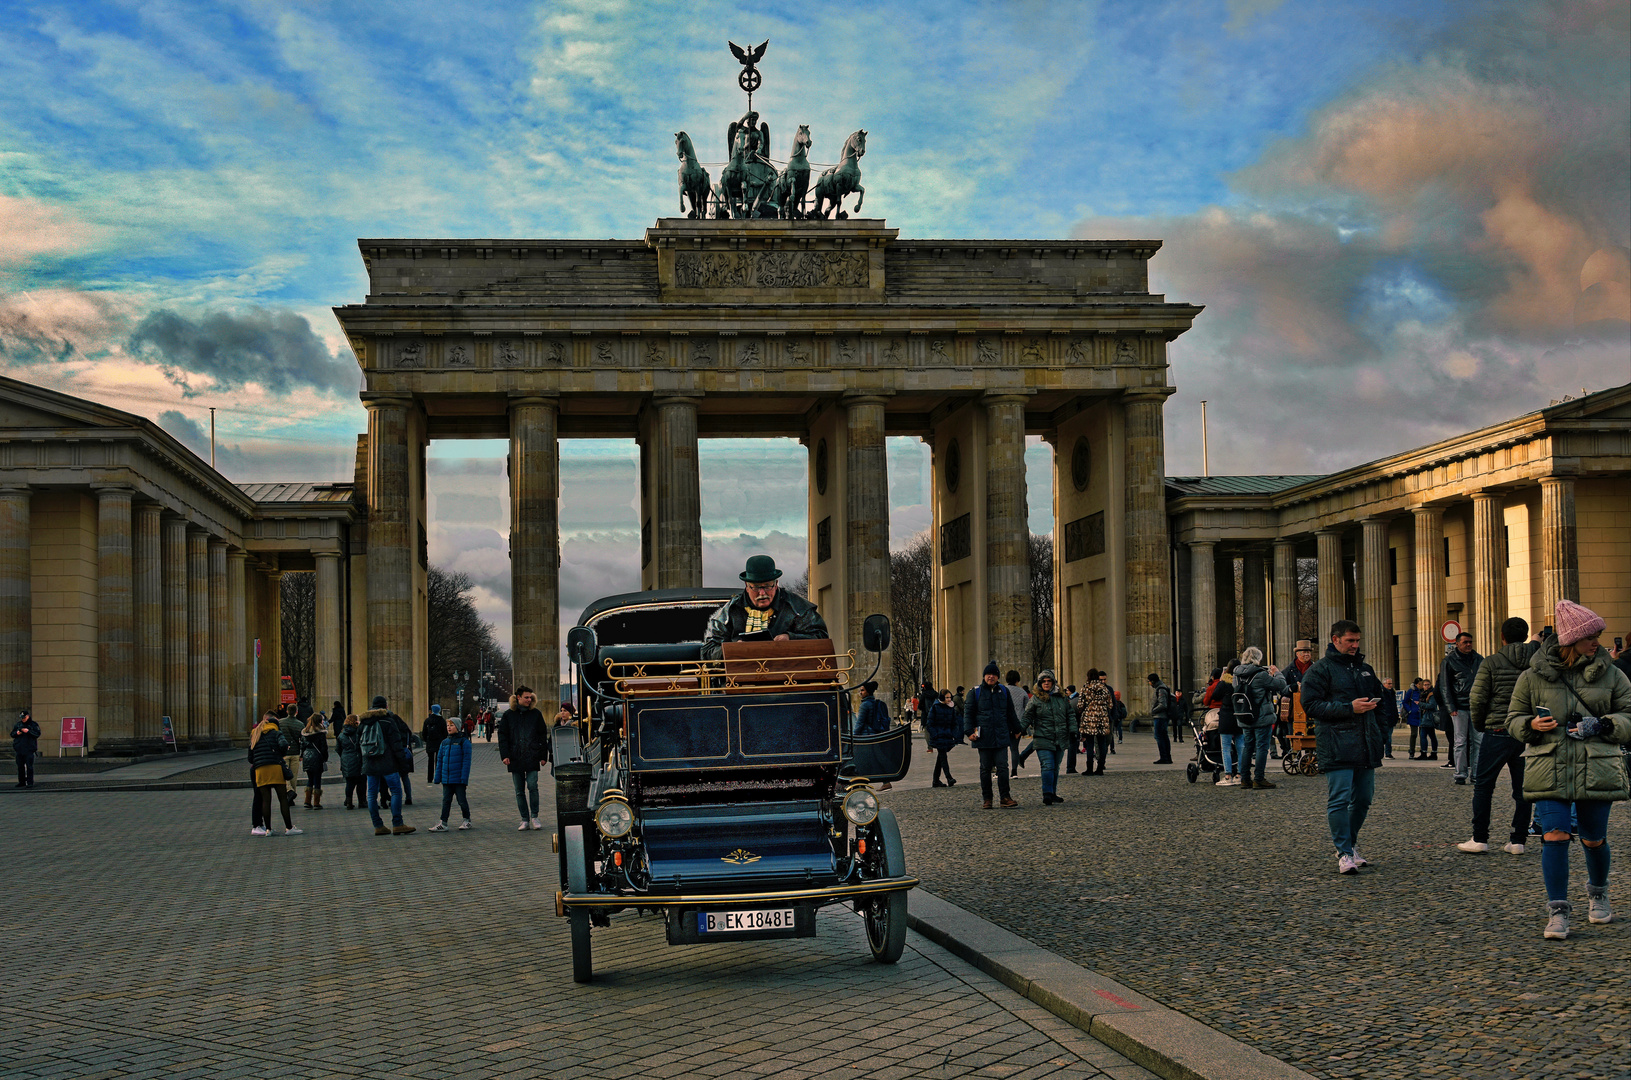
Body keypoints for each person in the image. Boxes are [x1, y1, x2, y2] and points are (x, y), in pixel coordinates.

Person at [1506, 600, 1631, 939]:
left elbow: (1629, 716)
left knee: (1593, 838)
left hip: (1596, 766)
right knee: (1555, 835)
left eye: (1599, 635)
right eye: (1591, 636)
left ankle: (1599, 892)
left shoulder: (1613, 675)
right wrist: (1531, 724)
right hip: (1550, 765)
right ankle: (1558, 910)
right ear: (1570, 640)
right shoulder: (1532, 677)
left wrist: (1603, 724)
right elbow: (1513, 720)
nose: (1598, 642)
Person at [1301, 619, 1396, 874]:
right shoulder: (1320, 670)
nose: (1355, 645)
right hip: (1336, 743)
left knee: (1364, 799)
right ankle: (1344, 852)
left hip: (1366, 742)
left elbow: (1382, 703)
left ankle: (1349, 845)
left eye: (1357, 640)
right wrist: (1348, 708)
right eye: (1350, 640)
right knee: (1339, 799)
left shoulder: (1365, 669)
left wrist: (1382, 730)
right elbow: (1310, 705)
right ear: (1335, 640)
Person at [1459, 617, 1542, 855]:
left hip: (1497, 730)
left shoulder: (1491, 662)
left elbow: (1477, 698)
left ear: (1502, 637)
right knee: (1523, 790)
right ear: (1526, 636)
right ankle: (1518, 841)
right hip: (1527, 731)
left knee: (1484, 787)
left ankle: (1480, 838)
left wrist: (1480, 725)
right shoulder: (1537, 661)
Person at [700, 554, 829, 660]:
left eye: (767, 586)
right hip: (738, 683)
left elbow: (822, 639)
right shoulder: (729, 612)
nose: (762, 593)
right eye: (756, 587)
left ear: (776, 583)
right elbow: (707, 651)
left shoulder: (797, 608)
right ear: (746, 585)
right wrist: (733, 650)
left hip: (791, 680)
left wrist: (791, 639)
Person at [964, 662, 1021, 809]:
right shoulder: (975, 692)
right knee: (985, 768)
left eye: (994, 675)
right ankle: (987, 798)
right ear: (984, 676)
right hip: (983, 737)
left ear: (998, 677)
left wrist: (1017, 728)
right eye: (989, 674)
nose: (991, 677)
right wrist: (969, 732)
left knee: (1003, 767)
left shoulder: (1004, 691)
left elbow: (1010, 712)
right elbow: (968, 714)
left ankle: (1005, 797)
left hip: (1001, 735)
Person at [359, 696, 414, 836]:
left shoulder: (363, 723)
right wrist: (403, 764)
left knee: (371, 795)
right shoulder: (388, 721)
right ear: (386, 707)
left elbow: (358, 745)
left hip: (370, 763)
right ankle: (397, 824)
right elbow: (397, 745)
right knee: (396, 791)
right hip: (388, 764)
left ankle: (378, 825)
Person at [1232, 647, 1286, 790]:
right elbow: (1280, 685)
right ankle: (1259, 779)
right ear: (1257, 659)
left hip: (1244, 715)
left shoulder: (1236, 674)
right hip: (1261, 716)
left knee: (1247, 747)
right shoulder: (1260, 674)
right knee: (1262, 747)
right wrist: (1277, 673)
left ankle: (1244, 778)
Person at [498, 685, 548, 830]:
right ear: (518, 697)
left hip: (532, 755)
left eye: (530, 697)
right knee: (519, 790)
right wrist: (505, 755)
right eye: (526, 697)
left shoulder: (536, 714)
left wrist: (543, 756)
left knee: (533, 786)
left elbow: (542, 735)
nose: (529, 699)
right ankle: (524, 819)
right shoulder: (508, 715)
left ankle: (535, 817)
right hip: (515, 756)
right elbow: (503, 736)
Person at [1439, 632, 1484, 784]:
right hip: (1459, 707)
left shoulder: (1478, 659)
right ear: (1457, 643)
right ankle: (1460, 773)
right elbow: (1444, 686)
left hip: (1476, 706)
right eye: (1465, 642)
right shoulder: (1449, 661)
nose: (1468, 644)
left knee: (1478, 741)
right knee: (1460, 741)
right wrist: (1450, 706)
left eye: (1470, 642)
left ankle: (1476, 774)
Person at [1022, 670, 1073, 805]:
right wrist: (1020, 729)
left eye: (1048, 681)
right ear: (1039, 683)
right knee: (1047, 766)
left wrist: (1073, 730)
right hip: (1043, 737)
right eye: (1043, 681)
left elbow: (1070, 714)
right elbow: (1027, 716)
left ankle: (1053, 792)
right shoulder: (1035, 699)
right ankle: (1047, 793)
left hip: (1060, 737)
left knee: (1055, 767)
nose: (1046, 683)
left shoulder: (1061, 698)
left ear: (1053, 682)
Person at [248, 712, 299, 837]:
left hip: (260, 770)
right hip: (275, 768)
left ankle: (268, 829)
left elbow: (250, 757)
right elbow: (283, 744)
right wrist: (281, 753)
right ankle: (288, 828)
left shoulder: (255, 734)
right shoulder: (277, 733)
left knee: (266, 800)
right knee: (282, 799)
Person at [429, 715, 474, 832]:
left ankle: (467, 820)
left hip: (458, 778)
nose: (449, 727)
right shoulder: (444, 742)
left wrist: (464, 778)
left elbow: (466, 762)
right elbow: (439, 761)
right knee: (446, 801)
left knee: (461, 800)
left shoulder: (464, 742)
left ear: (458, 727)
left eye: (452, 725)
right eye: (448, 725)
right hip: (447, 778)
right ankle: (443, 822)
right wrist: (437, 777)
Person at [1277, 641, 1316, 756]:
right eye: (1304, 652)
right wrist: (1292, 688)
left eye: (1308, 652)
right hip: (1294, 710)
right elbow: (1280, 688)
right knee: (1292, 733)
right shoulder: (1288, 670)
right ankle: (1294, 754)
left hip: (1311, 708)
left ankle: (1311, 757)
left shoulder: (1315, 668)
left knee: (1312, 733)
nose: (1307, 654)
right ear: (1297, 654)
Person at [1076, 670, 1113, 775]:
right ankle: (1100, 767)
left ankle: (1089, 768)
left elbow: (1080, 704)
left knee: (1090, 744)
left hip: (1089, 718)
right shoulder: (1104, 688)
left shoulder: (1085, 688)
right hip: (1102, 718)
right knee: (1102, 744)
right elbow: (1110, 704)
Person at [1215, 660, 1244, 786]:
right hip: (1240, 717)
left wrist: (1221, 679)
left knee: (1226, 748)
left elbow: (1215, 695)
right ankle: (1240, 774)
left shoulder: (1224, 683)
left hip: (1227, 716)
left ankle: (1228, 776)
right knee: (1241, 747)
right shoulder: (1242, 682)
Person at [925, 688, 960, 787]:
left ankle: (935, 781)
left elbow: (954, 723)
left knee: (940, 758)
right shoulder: (935, 707)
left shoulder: (951, 708)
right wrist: (935, 734)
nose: (949, 699)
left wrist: (953, 733)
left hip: (947, 735)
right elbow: (929, 723)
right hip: (939, 736)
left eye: (950, 697)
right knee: (943, 756)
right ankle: (949, 777)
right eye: (947, 697)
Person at [299, 713, 328, 810]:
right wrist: (325, 758)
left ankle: (307, 801)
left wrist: (302, 755)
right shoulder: (321, 733)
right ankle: (316, 802)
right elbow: (324, 748)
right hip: (317, 756)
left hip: (307, 756)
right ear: (319, 721)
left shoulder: (305, 732)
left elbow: (302, 746)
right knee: (317, 779)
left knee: (310, 778)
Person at [1146, 673, 1176, 764]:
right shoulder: (1161, 687)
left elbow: (1163, 704)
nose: (1149, 683)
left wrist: (1153, 711)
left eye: (1149, 681)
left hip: (1160, 716)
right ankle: (1166, 757)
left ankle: (1164, 757)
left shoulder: (1161, 689)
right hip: (1161, 716)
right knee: (1163, 736)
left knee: (1160, 736)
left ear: (1153, 681)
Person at [1005, 670, 1031, 777]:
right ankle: (1014, 771)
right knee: (1014, 748)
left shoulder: (1004, 690)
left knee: (1002, 748)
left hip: (1005, 723)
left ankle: (1001, 770)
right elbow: (1027, 709)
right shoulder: (1022, 692)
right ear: (1017, 679)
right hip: (1018, 724)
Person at [277, 706, 304, 809]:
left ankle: (289, 791)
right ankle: (291, 798)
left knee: (284, 774)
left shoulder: (280, 722)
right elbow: (302, 740)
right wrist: (301, 754)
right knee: (293, 775)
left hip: (284, 753)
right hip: (295, 752)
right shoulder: (300, 724)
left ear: (287, 711)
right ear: (296, 712)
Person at [336, 713, 364, 809]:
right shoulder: (358, 732)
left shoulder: (341, 734)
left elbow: (337, 749)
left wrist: (344, 756)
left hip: (346, 759)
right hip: (358, 758)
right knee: (361, 782)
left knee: (349, 783)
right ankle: (362, 801)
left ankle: (349, 802)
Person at [11, 709, 39, 789]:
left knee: (29, 766)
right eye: (22, 717)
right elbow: (12, 734)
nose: (23, 719)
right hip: (19, 749)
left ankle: (30, 782)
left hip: (29, 749)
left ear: (28, 716)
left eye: (24, 717)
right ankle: (21, 781)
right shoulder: (18, 725)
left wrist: (28, 731)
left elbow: (37, 734)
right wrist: (17, 733)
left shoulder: (33, 724)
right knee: (20, 766)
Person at [422, 704, 449, 784]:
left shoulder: (427, 720)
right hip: (439, 742)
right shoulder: (442, 721)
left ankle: (429, 778)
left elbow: (424, 733)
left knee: (430, 761)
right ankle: (438, 777)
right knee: (438, 760)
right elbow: (445, 733)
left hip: (430, 742)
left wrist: (427, 740)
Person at [1417, 682, 1441, 759]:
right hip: (1425, 716)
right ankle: (1433, 753)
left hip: (1429, 717)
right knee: (1431, 735)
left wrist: (1420, 704)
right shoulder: (1423, 694)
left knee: (1423, 735)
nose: (1426, 686)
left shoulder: (1431, 695)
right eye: (1425, 685)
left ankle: (1424, 752)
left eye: (1428, 685)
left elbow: (1432, 706)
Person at [1403, 679, 1426, 758]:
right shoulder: (1411, 691)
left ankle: (1423, 751)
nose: (1421, 685)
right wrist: (1410, 710)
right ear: (1416, 684)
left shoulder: (1423, 691)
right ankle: (1411, 751)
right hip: (1413, 715)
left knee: (1422, 735)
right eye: (1419, 684)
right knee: (1414, 734)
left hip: (1422, 715)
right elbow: (1405, 701)